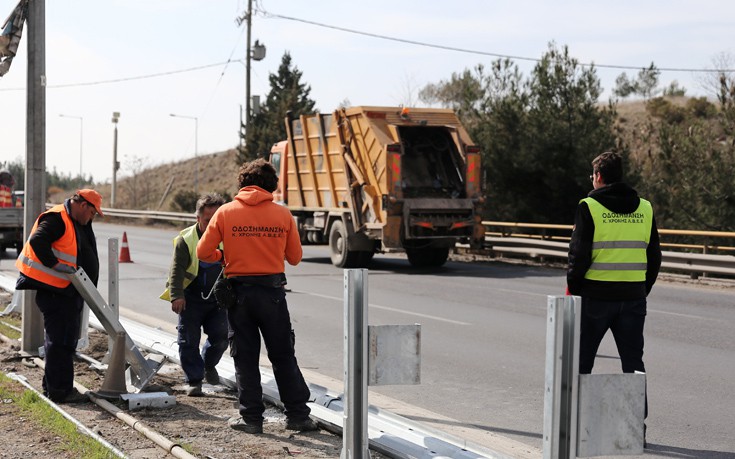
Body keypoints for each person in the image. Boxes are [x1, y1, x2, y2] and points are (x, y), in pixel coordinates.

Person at [196, 158, 318, 434]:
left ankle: (251, 419)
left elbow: (203, 253)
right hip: (272, 294)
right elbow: (295, 258)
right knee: (283, 355)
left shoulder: (226, 212)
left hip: (238, 295)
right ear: (271, 185)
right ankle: (298, 416)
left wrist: (224, 255)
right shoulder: (282, 215)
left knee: (245, 357)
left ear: (242, 183)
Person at [567, 151, 661, 442]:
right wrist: (640, 289)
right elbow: (654, 256)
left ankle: (576, 425)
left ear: (598, 176)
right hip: (632, 298)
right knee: (633, 364)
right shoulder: (644, 207)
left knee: (582, 362)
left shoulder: (589, 206)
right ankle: (636, 429)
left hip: (595, 297)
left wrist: (575, 290)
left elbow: (578, 255)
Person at [15, 189, 105, 403]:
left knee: (63, 341)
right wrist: (54, 265)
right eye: (92, 212)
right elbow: (38, 241)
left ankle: (54, 387)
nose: (92, 217)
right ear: (83, 205)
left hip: (68, 291)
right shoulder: (57, 219)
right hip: (56, 292)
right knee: (61, 342)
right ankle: (60, 392)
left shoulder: (77, 221)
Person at [160, 193, 229, 396]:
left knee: (222, 337)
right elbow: (177, 270)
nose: (213, 224)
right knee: (188, 340)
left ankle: (208, 364)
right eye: (208, 220)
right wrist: (176, 295)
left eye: (217, 220)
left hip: (217, 299)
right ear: (198, 218)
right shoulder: (186, 240)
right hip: (191, 297)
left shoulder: (227, 238)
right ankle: (194, 380)